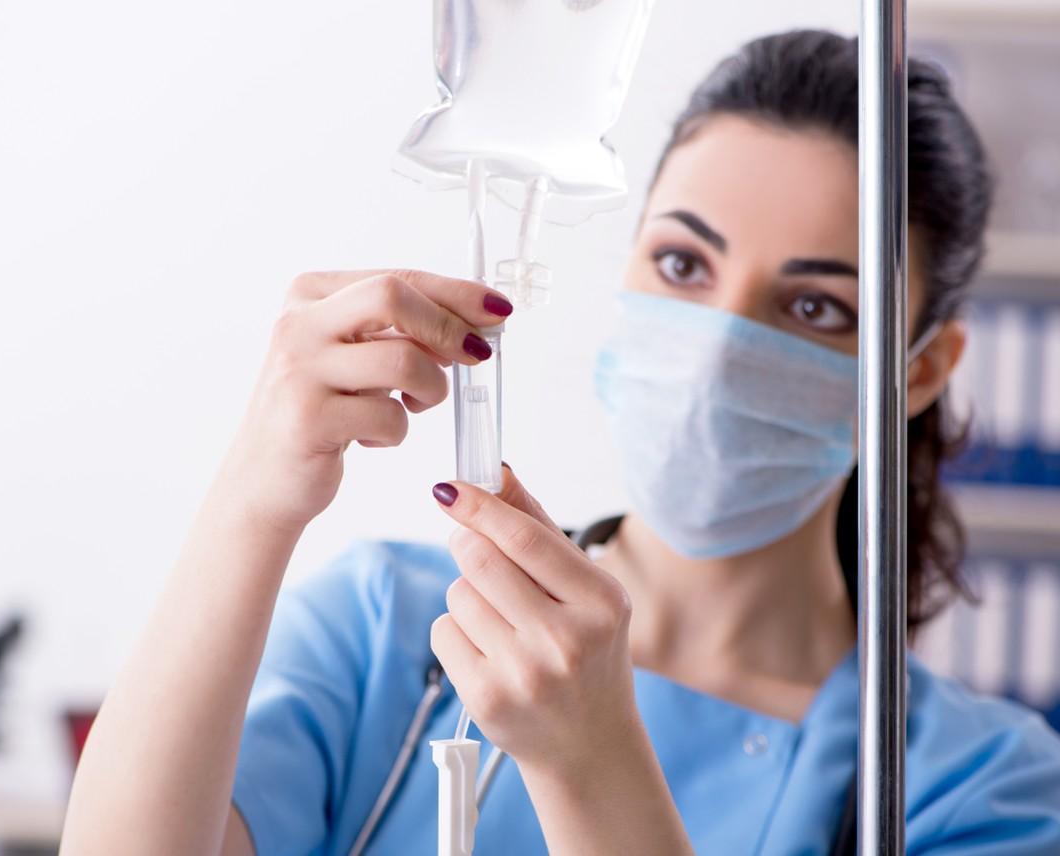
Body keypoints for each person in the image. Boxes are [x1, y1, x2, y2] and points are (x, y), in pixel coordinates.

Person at [60, 30, 1060, 856]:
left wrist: (593, 766)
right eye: (681, 261)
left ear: (920, 370)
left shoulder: (969, 785)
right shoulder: (389, 630)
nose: (715, 350)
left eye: (813, 304)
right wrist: (254, 493)